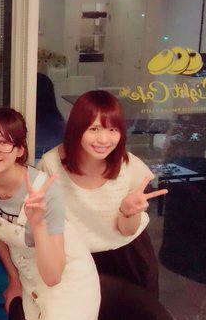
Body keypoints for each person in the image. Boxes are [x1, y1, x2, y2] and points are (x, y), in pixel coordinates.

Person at [0, 107, 100, 320]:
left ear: (20, 150)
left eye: (4, 143)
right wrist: (13, 279)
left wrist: (38, 223)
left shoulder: (45, 192)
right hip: (30, 280)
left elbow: (53, 276)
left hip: (66, 280)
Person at [37, 90, 168, 297]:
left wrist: (128, 212)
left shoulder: (129, 166)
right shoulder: (51, 164)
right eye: (94, 129)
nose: (104, 139)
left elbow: (127, 231)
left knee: (135, 315)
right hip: (75, 256)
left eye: (113, 129)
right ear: (77, 128)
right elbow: (44, 223)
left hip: (127, 255)